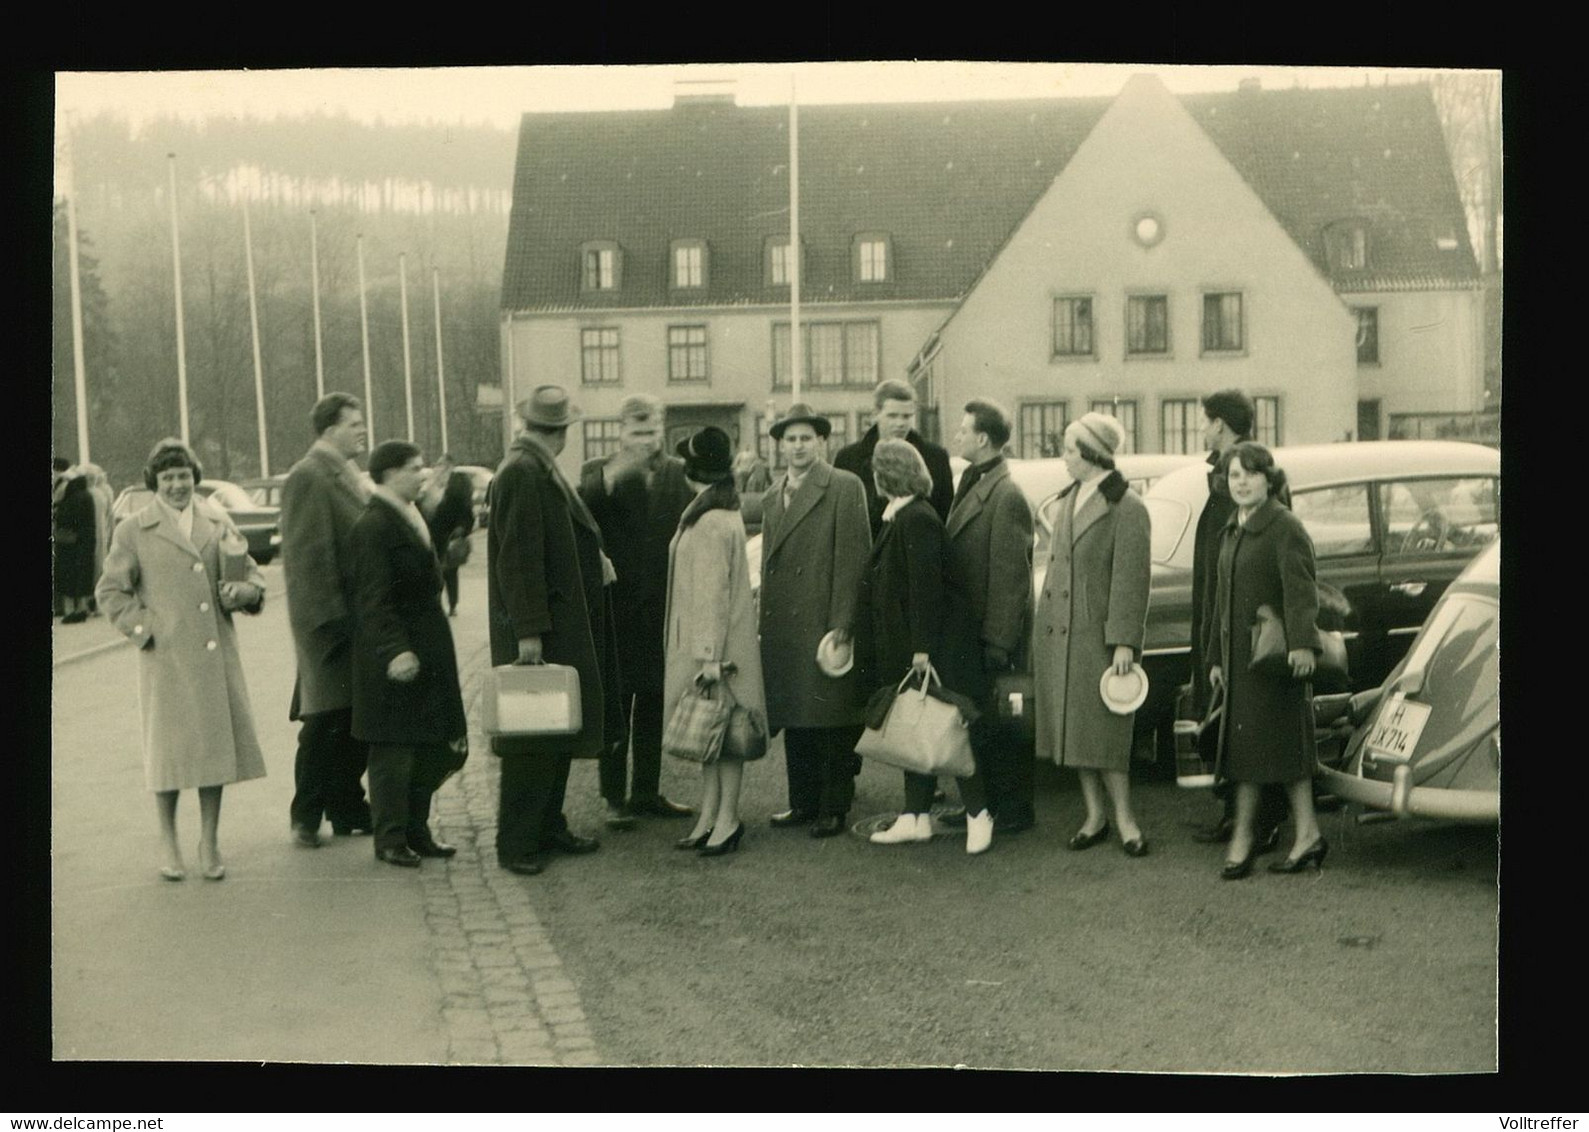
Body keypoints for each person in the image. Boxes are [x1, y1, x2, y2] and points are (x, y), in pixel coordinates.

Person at [96, 438, 267, 881]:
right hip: (167, 660)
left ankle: (208, 842)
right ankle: (168, 842)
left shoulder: (215, 517)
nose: (177, 485)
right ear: (155, 482)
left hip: (215, 657)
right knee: (169, 756)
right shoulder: (133, 529)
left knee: (213, 753)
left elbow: (248, 570)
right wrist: (148, 628)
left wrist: (247, 592)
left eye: (184, 476)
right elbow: (111, 591)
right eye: (168, 478)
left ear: (195, 477)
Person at [488, 385, 621, 877]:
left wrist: (594, 556)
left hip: (553, 625)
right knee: (532, 736)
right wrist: (528, 632)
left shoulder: (532, 466)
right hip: (541, 629)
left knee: (553, 730)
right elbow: (518, 561)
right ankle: (517, 842)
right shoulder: (523, 472)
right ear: (562, 432)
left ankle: (546, 825)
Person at [860, 439, 992, 855]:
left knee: (947, 729)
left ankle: (979, 814)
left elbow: (924, 589)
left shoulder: (914, 518)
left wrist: (921, 650)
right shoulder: (906, 515)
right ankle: (914, 818)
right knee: (914, 728)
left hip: (933, 648)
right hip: (921, 644)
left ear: (887, 475)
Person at [1032, 413, 1153, 857]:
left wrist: (1124, 640)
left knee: (1104, 732)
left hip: (1095, 636)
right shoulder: (1069, 497)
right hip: (1059, 636)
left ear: (1090, 453)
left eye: (1068, 449)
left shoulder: (1127, 505)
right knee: (1074, 730)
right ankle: (1094, 816)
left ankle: (1125, 820)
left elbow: (1131, 579)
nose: (1062, 457)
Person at [1209, 442, 1327, 879]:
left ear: (1269, 479)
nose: (1240, 482)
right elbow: (1222, 602)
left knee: (1263, 751)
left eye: (1250, 474)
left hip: (1276, 660)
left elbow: (1301, 591)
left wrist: (1302, 645)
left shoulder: (1283, 527)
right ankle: (1309, 834)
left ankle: (1244, 839)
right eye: (1234, 475)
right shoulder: (1234, 526)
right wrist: (1216, 657)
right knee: (1277, 751)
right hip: (1242, 662)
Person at [577, 394, 696, 829]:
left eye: (652, 431)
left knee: (652, 703)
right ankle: (613, 798)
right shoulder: (598, 471)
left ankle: (646, 792)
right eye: (637, 432)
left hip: (661, 607)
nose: (646, 440)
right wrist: (616, 473)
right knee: (616, 706)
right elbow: (584, 511)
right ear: (621, 432)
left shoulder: (676, 472)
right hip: (615, 610)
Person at [351, 441, 468, 868]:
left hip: (428, 648)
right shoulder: (373, 526)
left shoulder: (409, 514)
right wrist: (395, 651)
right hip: (396, 656)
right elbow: (373, 601)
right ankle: (391, 838)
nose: (423, 475)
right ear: (388, 473)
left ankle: (415, 829)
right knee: (394, 752)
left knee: (439, 745)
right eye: (414, 468)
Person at [758, 403, 872, 838]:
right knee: (795, 717)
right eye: (791, 439)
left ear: (821, 442)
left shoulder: (844, 486)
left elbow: (854, 559)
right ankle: (802, 803)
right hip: (785, 624)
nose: (799, 446)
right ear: (780, 446)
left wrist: (844, 620)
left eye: (807, 437)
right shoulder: (773, 494)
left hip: (824, 620)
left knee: (831, 718)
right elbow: (770, 562)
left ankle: (834, 806)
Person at [1189, 391, 1287, 853]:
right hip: (1218, 608)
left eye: (1207, 421)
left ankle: (1262, 822)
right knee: (1226, 715)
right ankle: (1235, 813)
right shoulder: (1223, 469)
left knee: (1248, 720)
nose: (1202, 429)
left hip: (1239, 614)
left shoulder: (1243, 470)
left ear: (1223, 425)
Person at [665, 427, 768, 857]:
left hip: (713, 647)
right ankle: (712, 814)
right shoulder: (717, 512)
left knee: (722, 733)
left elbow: (710, 593)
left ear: (692, 473)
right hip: (719, 642)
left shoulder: (707, 520)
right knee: (715, 734)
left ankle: (726, 818)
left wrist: (708, 657)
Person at [281, 392, 375, 848]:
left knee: (352, 719)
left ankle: (347, 808)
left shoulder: (345, 473)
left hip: (352, 618)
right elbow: (306, 558)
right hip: (329, 623)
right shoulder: (309, 476)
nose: (362, 430)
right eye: (353, 424)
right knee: (324, 724)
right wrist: (328, 624)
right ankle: (305, 816)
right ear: (328, 429)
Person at [944, 399, 1037, 834]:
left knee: (999, 727)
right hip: (971, 630)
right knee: (984, 726)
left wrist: (998, 643)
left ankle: (1011, 811)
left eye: (963, 430)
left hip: (990, 635)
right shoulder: (975, 480)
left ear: (982, 439)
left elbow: (1011, 578)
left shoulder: (1006, 494)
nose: (957, 435)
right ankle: (989, 807)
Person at [834, 378, 955, 539]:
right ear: (875, 415)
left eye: (906, 417)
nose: (900, 423)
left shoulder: (935, 457)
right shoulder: (849, 459)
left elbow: (944, 517)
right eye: (892, 416)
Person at [425, 466, 477, 618]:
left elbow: (436, 521)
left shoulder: (446, 500)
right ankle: (453, 605)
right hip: (453, 542)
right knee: (452, 575)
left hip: (440, 541)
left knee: (437, 572)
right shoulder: (466, 502)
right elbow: (470, 522)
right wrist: (462, 530)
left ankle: (438, 603)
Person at [53, 470, 98, 623]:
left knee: (68, 576)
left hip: (70, 544)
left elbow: (65, 519)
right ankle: (82, 608)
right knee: (83, 574)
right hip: (86, 542)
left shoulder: (71, 498)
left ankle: (70, 611)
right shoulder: (87, 495)